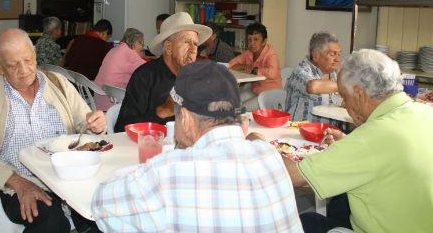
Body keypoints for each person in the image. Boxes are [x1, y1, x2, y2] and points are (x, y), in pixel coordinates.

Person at [92, 61, 303, 232]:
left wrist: (142, 170)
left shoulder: (167, 173)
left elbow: (100, 204)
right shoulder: (270, 156)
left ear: (185, 118)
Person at [282, 49, 433, 233]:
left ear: (359, 93)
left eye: (343, 95)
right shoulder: (429, 114)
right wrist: (350, 142)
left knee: (307, 221)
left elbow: (294, 176)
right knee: (342, 201)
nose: (344, 103)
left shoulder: (370, 138)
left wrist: (259, 147)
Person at [0, 28, 106, 232]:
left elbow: (84, 124)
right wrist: (18, 183)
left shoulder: (59, 84)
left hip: (70, 178)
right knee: (52, 222)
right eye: (13, 65)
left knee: (102, 217)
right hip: (18, 183)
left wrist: (95, 127)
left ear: (34, 54)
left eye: (28, 60)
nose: (24, 70)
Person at [114, 12, 211, 132]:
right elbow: (121, 128)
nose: (192, 50)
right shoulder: (145, 77)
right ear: (169, 47)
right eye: (187, 42)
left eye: (195, 44)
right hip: (151, 147)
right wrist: (161, 112)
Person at [285, 32, 341, 122]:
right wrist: (345, 86)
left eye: (339, 54)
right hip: (300, 131)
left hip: (328, 132)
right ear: (316, 56)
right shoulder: (301, 71)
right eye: (332, 54)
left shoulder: (334, 74)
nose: (338, 59)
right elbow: (313, 87)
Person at [229, 23, 281, 110]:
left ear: (264, 41)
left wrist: (253, 70)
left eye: (256, 39)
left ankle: (241, 122)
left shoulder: (271, 53)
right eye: (249, 40)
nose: (252, 43)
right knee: (232, 102)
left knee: (240, 109)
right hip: (256, 89)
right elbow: (231, 64)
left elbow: (273, 73)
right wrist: (243, 66)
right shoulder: (249, 53)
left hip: (270, 93)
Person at [93, 28, 146, 110]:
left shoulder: (114, 49)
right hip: (113, 104)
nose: (142, 48)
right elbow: (148, 70)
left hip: (98, 100)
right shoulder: (129, 53)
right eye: (142, 44)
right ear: (136, 43)